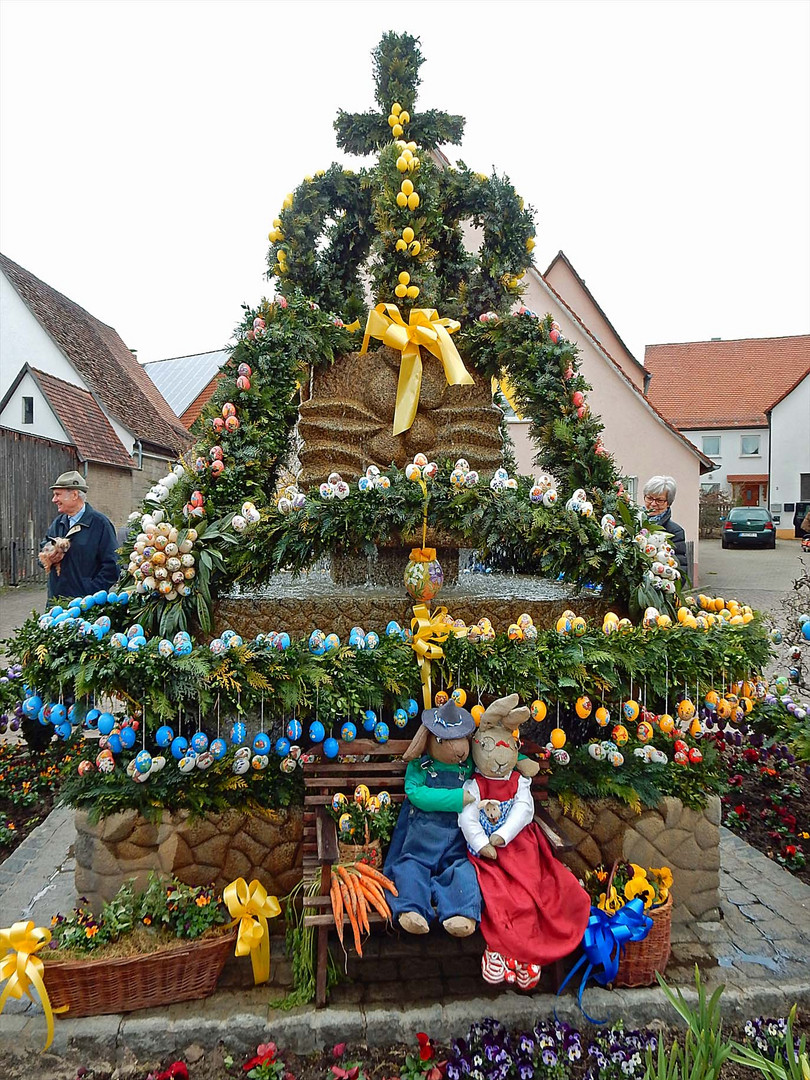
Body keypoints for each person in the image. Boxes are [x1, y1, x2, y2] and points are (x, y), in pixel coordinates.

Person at [40, 471, 119, 601]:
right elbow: (42, 552)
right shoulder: (58, 523)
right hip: (56, 604)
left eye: (58, 495)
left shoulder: (100, 524)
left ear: (74, 495)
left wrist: (90, 592)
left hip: (86, 606)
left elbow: (112, 566)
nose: (54, 500)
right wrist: (49, 556)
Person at [642, 475, 688, 577]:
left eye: (659, 500)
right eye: (649, 498)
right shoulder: (633, 522)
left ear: (668, 503)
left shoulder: (675, 532)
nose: (653, 504)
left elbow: (680, 571)